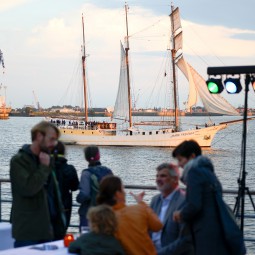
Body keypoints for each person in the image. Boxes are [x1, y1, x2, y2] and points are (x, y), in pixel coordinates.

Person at [172, 140, 230, 255]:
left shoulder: (194, 172)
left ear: (192, 156)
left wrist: (180, 214)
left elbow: (194, 205)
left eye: (180, 160)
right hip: (216, 229)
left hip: (204, 231)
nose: (178, 164)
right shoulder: (208, 172)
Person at [10, 121, 59, 248]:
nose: (53, 144)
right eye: (51, 139)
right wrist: (43, 167)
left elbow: (54, 193)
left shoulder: (48, 159)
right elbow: (28, 189)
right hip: (27, 232)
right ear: (39, 136)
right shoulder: (19, 161)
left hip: (48, 230)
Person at [97, 175, 162, 255]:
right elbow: (158, 226)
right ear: (117, 194)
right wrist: (141, 203)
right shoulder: (138, 210)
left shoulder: (102, 221)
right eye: (123, 189)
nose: (125, 192)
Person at [150, 163, 194, 255]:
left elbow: (186, 240)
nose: (158, 179)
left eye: (163, 176)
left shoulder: (184, 201)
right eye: (157, 176)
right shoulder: (155, 200)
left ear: (175, 179)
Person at [76, 145, 113, 228]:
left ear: (86, 158)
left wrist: (78, 199)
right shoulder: (108, 171)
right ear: (99, 156)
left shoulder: (86, 173)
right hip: (105, 212)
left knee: (86, 238)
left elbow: (84, 194)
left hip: (88, 213)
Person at [52, 141, 79, 229]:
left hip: (47, 206)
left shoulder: (44, 168)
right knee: (61, 232)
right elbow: (75, 187)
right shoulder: (69, 169)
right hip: (65, 205)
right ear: (64, 153)